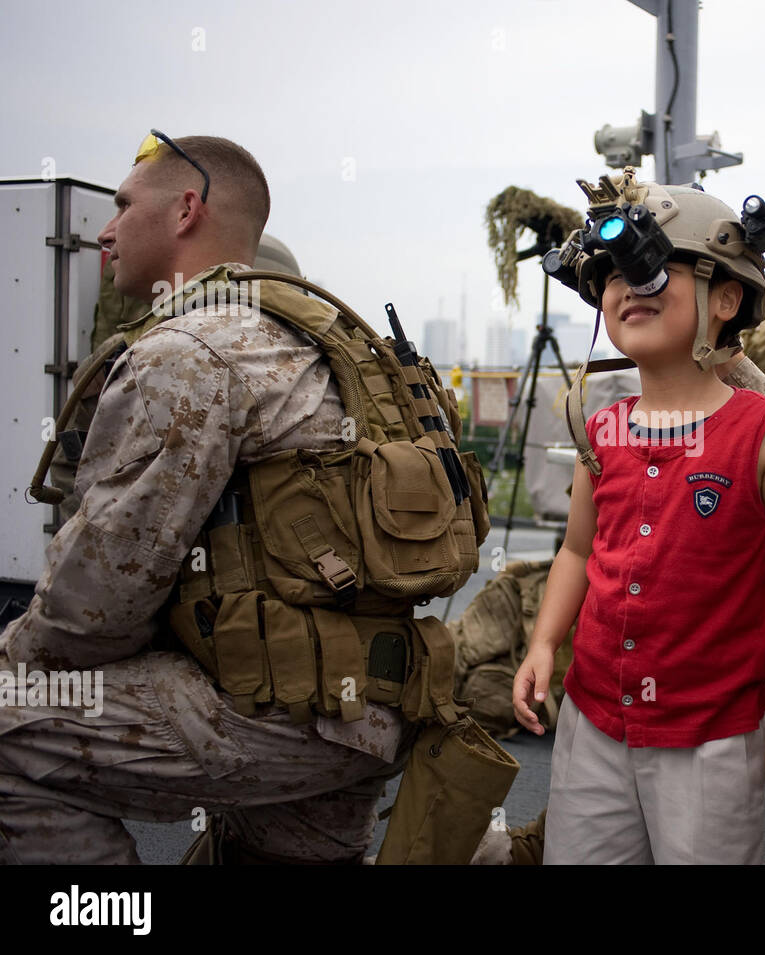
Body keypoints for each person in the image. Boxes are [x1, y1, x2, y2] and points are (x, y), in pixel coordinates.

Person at [0, 132, 485, 863]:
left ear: (186, 209)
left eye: (125, 205)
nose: (105, 228)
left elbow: (97, 602)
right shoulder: (331, 342)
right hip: (375, 704)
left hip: (265, 712)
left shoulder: (187, 351)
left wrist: (14, 659)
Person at [512, 172, 765, 864]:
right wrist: (542, 645)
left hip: (709, 738)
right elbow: (575, 553)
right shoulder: (603, 427)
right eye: (613, 279)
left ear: (727, 300)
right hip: (593, 720)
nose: (629, 289)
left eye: (652, 273)